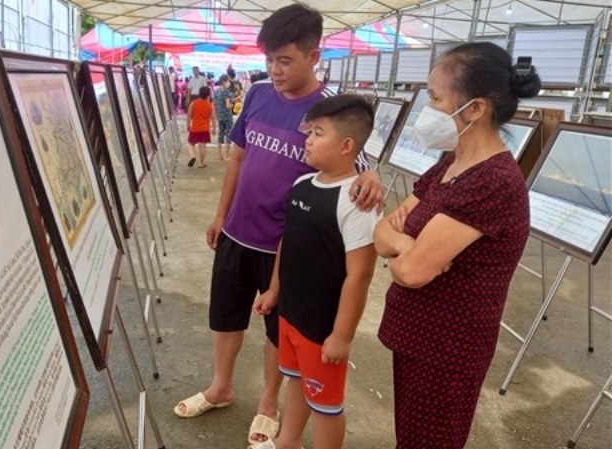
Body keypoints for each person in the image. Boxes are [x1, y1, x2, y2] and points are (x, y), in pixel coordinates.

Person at [172, 3, 384, 446]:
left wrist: (373, 176)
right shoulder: (257, 94)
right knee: (226, 316)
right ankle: (221, 386)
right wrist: (220, 214)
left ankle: (269, 402)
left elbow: (357, 165)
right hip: (236, 231)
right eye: (269, 59)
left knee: (277, 329)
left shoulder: (328, 111)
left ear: (314, 56)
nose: (275, 69)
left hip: (281, 244)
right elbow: (238, 157)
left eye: (285, 60)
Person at [374, 42, 540, 448]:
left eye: (434, 97)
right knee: (411, 437)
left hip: (446, 349)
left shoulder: (493, 181)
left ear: (475, 109)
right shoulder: (451, 163)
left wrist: (406, 249)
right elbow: (381, 233)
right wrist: (406, 242)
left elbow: (410, 271)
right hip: (419, 336)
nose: (425, 109)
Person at [250, 95, 379, 449]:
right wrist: (274, 291)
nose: (307, 139)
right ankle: (288, 441)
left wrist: (342, 335)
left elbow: (360, 276)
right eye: (309, 131)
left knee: (326, 406)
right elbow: (285, 243)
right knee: (295, 380)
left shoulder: (357, 203)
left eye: (318, 133)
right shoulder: (301, 185)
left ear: (346, 145)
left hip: (323, 329)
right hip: (290, 314)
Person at [186, 86, 215, 168]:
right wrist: (214, 128)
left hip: (195, 128)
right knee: (203, 146)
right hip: (205, 128)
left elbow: (189, 115)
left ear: (199, 93)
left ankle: (193, 156)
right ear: (208, 95)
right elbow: (213, 117)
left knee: (190, 143)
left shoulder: (193, 103)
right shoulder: (210, 105)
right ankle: (201, 163)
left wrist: (188, 126)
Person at [213, 74, 235, 161]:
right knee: (229, 134)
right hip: (227, 115)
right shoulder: (226, 91)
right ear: (224, 81)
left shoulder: (217, 91)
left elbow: (214, 103)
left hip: (220, 115)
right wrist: (232, 104)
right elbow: (228, 105)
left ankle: (219, 155)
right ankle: (226, 155)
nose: (229, 82)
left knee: (221, 134)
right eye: (228, 81)